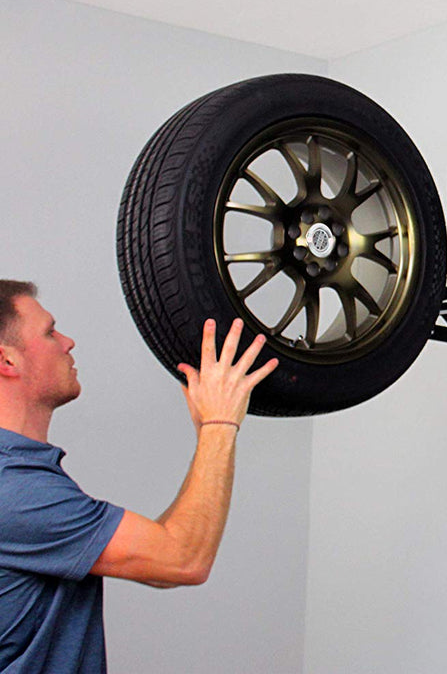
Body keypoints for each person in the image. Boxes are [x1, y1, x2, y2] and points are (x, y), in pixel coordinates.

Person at [0, 279, 278, 673]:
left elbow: (161, 562)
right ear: (7, 361)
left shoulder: (21, 476)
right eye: (49, 332)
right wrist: (220, 422)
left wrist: (209, 435)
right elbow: (183, 559)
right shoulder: (15, 490)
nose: (68, 341)